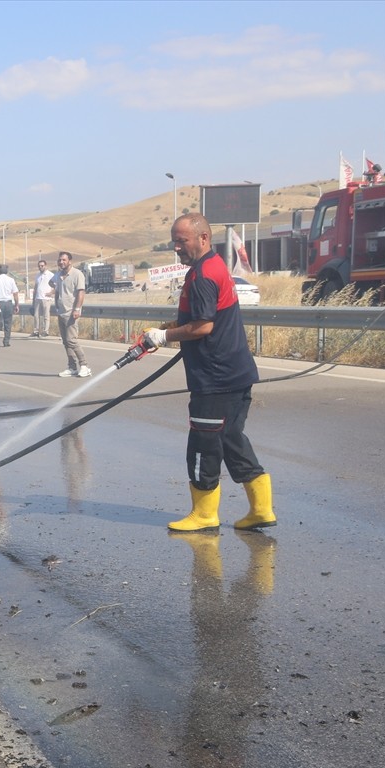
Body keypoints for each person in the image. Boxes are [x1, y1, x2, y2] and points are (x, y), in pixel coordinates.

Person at [142, 212, 275, 534]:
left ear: (203, 238)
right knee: (230, 439)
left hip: (216, 380)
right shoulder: (212, 267)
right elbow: (203, 316)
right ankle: (261, 509)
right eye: (174, 241)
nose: (177, 247)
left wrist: (164, 337)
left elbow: (203, 326)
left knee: (203, 443)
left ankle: (204, 514)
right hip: (234, 374)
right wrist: (174, 327)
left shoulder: (203, 275)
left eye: (181, 240)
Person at [51, 251, 90, 377]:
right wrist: (56, 301)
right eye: (60, 260)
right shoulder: (58, 275)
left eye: (64, 260)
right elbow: (52, 284)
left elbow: (81, 292)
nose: (61, 262)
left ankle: (84, 366)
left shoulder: (77, 274)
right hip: (61, 312)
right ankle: (72, 367)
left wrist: (77, 309)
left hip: (71, 312)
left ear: (69, 261)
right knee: (65, 342)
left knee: (71, 340)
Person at [0, 265, 20, 346]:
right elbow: (15, 293)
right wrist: (16, 304)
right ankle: (6, 341)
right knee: (8, 322)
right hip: (8, 303)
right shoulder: (11, 280)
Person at [32, 259, 54, 337]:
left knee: (46, 315)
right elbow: (36, 286)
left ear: (45, 266)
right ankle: (36, 331)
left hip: (46, 298)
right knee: (36, 315)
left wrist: (51, 293)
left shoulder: (50, 275)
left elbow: (56, 285)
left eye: (42, 266)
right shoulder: (38, 275)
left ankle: (46, 331)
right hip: (38, 298)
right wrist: (33, 298)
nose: (40, 267)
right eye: (39, 266)